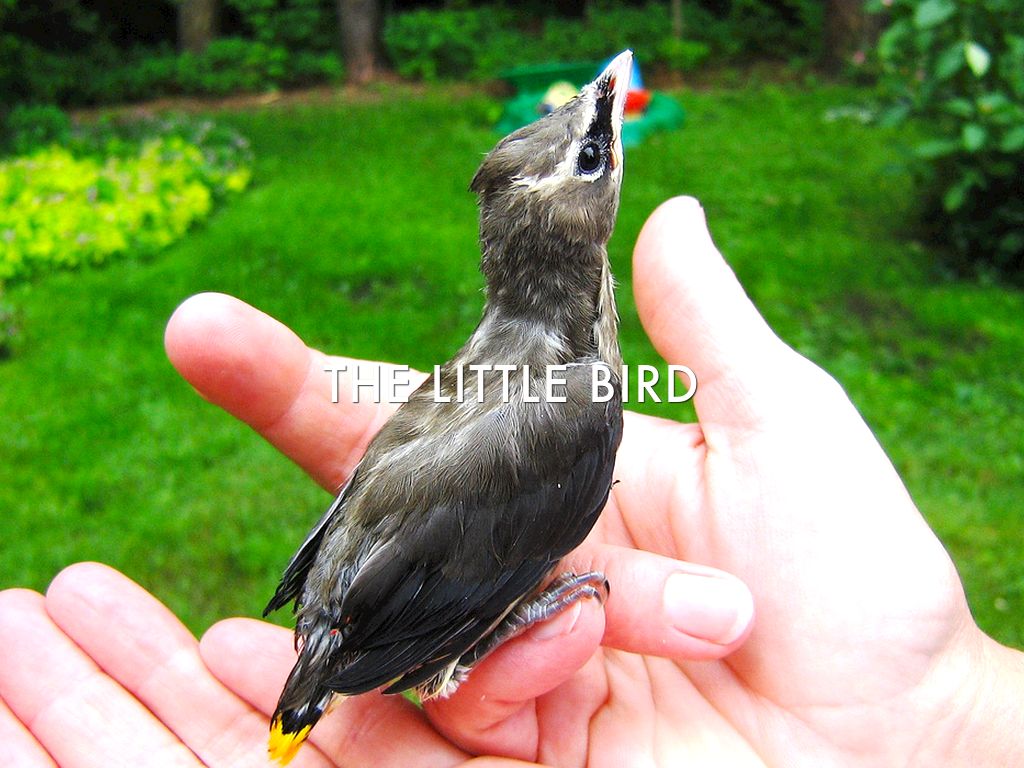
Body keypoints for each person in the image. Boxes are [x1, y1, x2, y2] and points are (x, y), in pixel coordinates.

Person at [0, 197, 1019, 766]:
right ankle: (352, 693)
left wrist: (945, 717)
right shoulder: (576, 406)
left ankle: (319, 703)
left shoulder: (541, 384)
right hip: (364, 618)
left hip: (355, 611)